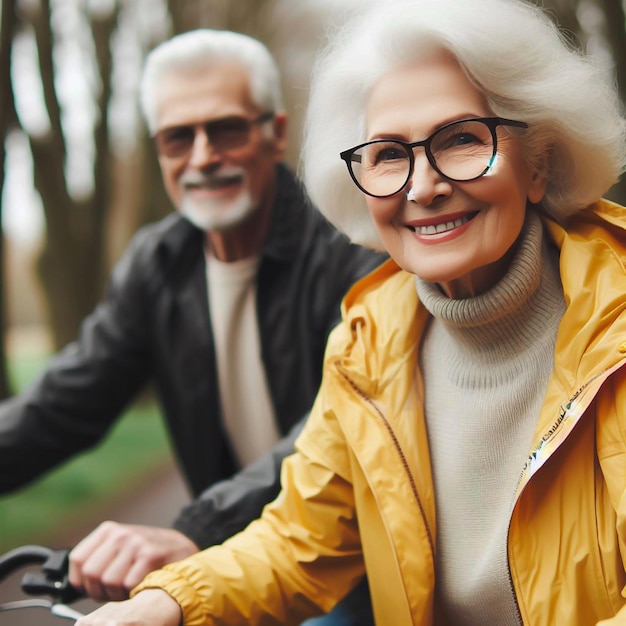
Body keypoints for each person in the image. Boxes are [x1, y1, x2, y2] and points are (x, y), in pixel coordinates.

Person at [74, 0, 626, 624]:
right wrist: (161, 604)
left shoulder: (617, 329)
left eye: (462, 140)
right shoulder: (369, 342)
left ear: (540, 162)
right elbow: (296, 544)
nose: (422, 187)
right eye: (389, 154)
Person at [0, 28, 383, 622]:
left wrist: (198, 528)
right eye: (179, 137)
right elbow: (63, 405)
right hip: (227, 560)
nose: (203, 156)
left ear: (275, 134)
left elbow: (339, 426)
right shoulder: (159, 263)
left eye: (226, 129)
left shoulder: (349, 244)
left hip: (347, 553)